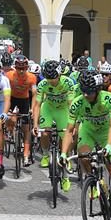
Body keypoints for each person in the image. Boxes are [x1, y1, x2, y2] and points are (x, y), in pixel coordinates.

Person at [63, 70, 111, 220]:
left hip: (106, 133)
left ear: (99, 89)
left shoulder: (110, 99)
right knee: (83, 155)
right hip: (88, 131)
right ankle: (91, 180)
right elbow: (69, 130)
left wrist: (109, 145)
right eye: (84, 91)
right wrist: (63, 153)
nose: (87, 95)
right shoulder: (77, 103)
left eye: (91, 92)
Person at [31, 60, 75, 192]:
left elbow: (71, 104)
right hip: (48, 109)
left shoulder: (68, 83)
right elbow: (37, 105)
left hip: (63, 110)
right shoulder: (43, 84)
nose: (51, 81)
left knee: (66, 138)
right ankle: (45, 154)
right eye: (48, 78)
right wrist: (35, 124)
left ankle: (66, 170)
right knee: (45, 132)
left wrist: (72, 125)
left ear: (59, 75)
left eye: (53, 78)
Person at [6, 53, 38, 164]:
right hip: (12, 98)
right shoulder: (9, 75)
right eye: (19, 68)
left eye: (23, 68)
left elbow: (34, 94)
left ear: (27, 68)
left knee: (26, 128)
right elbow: (4, 91)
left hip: (24, 100)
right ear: (15, 67)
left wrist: (32, 109)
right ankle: (8, 132)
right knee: (8, 118)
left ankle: (26, 155)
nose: (21, 71)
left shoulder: (32, 77)